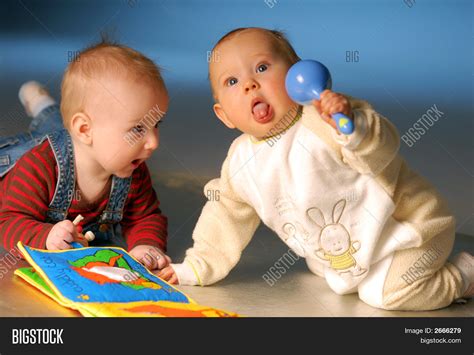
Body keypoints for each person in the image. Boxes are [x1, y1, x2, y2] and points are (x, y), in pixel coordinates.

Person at [160, 27, 473, 311]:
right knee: (329, 271)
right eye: (232, 81)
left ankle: (463, 275)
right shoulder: (241, 161)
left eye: (262, 67)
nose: (250, 84)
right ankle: (364, 270)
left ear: (297, 75)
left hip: (410, 228)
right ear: (224, 116)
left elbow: (382, 149)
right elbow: (225, 215)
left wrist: (351, 128)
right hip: (347, 253)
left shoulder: (323, 119)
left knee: (384, 296)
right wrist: (197, 266)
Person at [0, 41, 172, 272]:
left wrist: (146, 245)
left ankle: (43, 105)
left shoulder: (132, 171)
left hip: (77, 139)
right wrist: (45, 235)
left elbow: (146, 216)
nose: (154, 142)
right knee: (51, 133)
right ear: (84, 129)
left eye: (156, 124)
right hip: (20, 158)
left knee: (57, 126)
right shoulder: (39, 167)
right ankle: (40, 103)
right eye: (138, 129)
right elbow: (8, 221)